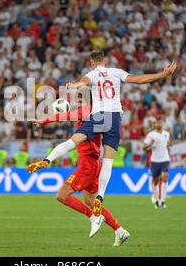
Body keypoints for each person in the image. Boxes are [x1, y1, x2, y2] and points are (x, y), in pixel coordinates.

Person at [27, 50, 177, 217]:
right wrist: (163, 74)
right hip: (114, 118)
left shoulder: (93, 73)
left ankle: (47, 160)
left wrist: (75, 85)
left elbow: (84, 82)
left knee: (73, 141)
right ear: (104, 61)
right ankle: (100, 196)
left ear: (92, 62)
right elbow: (140, 79)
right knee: (108, 162)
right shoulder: (116, 72)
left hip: (99, 116)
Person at [30, 94, 130, 246]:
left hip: (87, 165)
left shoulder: (90, 111)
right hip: (94, 164)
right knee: (91, 201)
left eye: (81, 100)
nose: (78, 103)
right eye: (78, 100)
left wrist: (43, 120)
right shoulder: (95, 115)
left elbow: (66, 115)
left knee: (62, 195)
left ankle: (93, 217)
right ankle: (119, 231)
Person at [143, 119, 172, 209]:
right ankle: (156, 200)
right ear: (154, 125)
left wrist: (169, 144)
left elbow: (167, 144)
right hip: (155, 160)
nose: (158, 124)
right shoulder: (151, 135)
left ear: (161, 124)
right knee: (155, 181)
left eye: (160, 122)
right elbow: (144, 148)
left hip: (165, 159)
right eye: (157, 123)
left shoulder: (167, 134)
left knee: (164, 178)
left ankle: (162, 201)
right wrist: (150, 144)